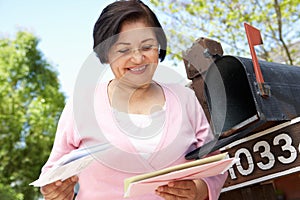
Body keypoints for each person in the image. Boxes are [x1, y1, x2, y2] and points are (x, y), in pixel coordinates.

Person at [39, 0, 227, 199]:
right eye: (124, 50)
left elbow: (214, 165)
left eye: (147, 47)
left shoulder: (184, 99)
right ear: (106, 53)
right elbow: (52, 175)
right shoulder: (81, 105)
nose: (138, 59)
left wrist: (199, 190)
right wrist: (56, 191)